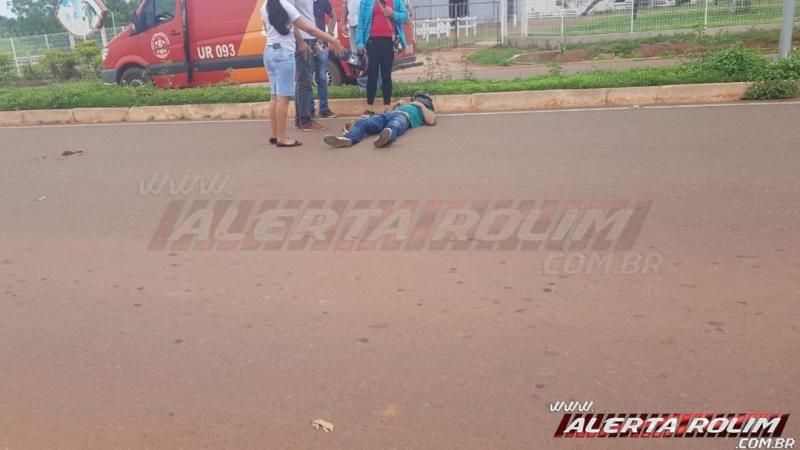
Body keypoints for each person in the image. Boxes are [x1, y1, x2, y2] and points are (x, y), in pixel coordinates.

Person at [262, 0, 344, 147]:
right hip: (283, 53)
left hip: (269, 51)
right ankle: (282, 138)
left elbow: (266, 28)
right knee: (283, 99)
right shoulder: (286, 5)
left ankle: (274, 135)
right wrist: (332, 39)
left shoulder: (264, 6)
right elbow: (309, 29)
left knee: (274, 96)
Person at [323, 92, 436, 149]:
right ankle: (349, 139)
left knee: (395, 125)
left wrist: (421, 106)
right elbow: (386, 111)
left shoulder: (426, 110)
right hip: (388, 115)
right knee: (364, 122)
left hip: (404, 117)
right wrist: (396, 103)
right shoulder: (405, 105)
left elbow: (431, 121)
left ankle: (385, 138)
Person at [356, 0, 408, 114]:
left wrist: (392, 14)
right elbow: (361, 21)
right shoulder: (366, 1)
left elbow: (405, 17)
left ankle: (386, 106)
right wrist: (359, 42)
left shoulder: (397, 1)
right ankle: (370, 106)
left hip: (389, 42)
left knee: (386, 75)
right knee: (372, 73)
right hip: (372, 41)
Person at [288, 0, 328, 131]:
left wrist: (316, 36)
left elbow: (309, 15)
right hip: (303, 39)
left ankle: (300, 119)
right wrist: (300, 41)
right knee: (304, 81)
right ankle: (305, 121)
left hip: (310, 38)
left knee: (304, 80)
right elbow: (291, 18)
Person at [310, 0, 337, 119]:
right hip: (308, 44)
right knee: (307, 79)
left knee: (322, 77)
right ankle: (309, 110)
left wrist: (329, 33)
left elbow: (333, 16)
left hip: (321, 45)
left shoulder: (322, 1)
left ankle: (324, 109)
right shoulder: (301, 2)